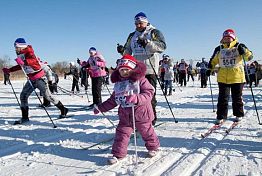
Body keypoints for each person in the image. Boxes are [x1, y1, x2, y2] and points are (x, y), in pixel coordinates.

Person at [93, 54, 160, 165]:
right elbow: (113, 100)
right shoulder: (119, 84)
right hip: (125, 116)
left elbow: (149, 93)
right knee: (121, 134)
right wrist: (100, 108)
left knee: (147, 132)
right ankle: (118, 154)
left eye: (126, 70)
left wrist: (137, 98)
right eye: (121, 70)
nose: (124, 72)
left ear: (133, 69)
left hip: (141, 114)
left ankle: (153, 147)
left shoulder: (141, 80)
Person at [2, 38, 68, 124]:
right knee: (23, 96)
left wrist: (23, 62)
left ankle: (63, 109)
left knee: (48, 97)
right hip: (31, 79)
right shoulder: (20, 54)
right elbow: (21, 66)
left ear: (22, 47)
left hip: (40, 78)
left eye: (17, 47)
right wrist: (9, 70)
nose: (15, 48)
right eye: (15, 47)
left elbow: (34, 62)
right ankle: (25, 118)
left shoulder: (29, 52)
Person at [120, 12, 166, 125]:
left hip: (150, 69)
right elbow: (128, 51)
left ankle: (151, 119)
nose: (138, 26)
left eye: (140, 23)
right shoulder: (132, 35)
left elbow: (162, 46)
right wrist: (122, 50)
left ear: (146, 22)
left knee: (148, 96)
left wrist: (147, 43)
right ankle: (138, 118)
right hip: (135, 70)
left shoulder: (154, 32)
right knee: (135, 95)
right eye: (136, 23)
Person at [206, 29, 253, 124]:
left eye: (229, 38)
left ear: (233, 38)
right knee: (222, 98)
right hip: (223, 77)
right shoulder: (219, 48)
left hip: (237, 77)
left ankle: (238, 114)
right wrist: (209, 69)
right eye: (225, 37)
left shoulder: (239, 46)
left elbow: (249, 57)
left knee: (237, 98)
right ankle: (221, 116)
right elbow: (213, 60)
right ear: (222, 39)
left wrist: (244, 51)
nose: (227, 39)